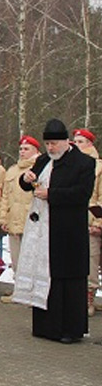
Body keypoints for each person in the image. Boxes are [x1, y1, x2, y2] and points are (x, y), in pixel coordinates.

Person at [17, 119, 95, 343]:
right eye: (48, 144)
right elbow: (25, 185)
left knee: (68, 280)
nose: (51, 148)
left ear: (65, 142)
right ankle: (46, 327)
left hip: (69, 232)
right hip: (43, 231)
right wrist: (26, 178)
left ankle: (70, 330)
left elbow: (82, 193)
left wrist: (52, 194)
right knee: (48, 276)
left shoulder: (83, 163)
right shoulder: (43, 160)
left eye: (54, 144)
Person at [0, 135, 40, 303]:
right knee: (16, 258)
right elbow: (5, 197)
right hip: (14, 219)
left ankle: (34, 292)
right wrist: (4, 218)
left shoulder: (40, 168)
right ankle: (18, 290)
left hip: (32, 220)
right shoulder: (13, 170)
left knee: (33, 258)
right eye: (21, 149)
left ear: (36, 151)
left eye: (27, 149)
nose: (22, 152)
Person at [71, 128, 102, 317]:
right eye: (74, 141)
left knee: (91, 261)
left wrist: (98, 224)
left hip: (92, 222)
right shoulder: (71, 165)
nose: (76, 145)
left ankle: (89, 296)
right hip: (74, 221)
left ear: (90, 144)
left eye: (80, 141)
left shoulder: (98, 168)